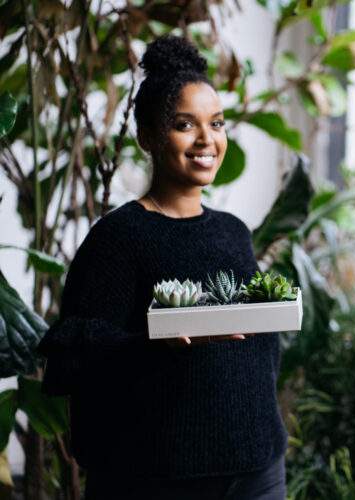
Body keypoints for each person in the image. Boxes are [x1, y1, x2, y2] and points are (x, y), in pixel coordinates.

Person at [36, 35, 288, 499]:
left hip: (258, 466)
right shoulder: (120, 236)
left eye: (217, 123)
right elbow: (72, 355)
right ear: (148, 136)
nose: (206, 140)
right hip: (158, 475)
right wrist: (154, 342)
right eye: (184, 124)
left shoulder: (234, 231)